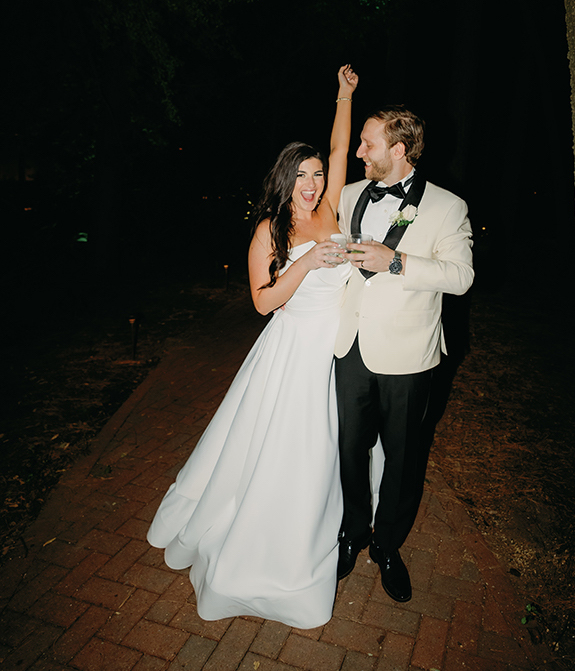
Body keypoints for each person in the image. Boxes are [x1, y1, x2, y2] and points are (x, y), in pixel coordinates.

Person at [147, 65, 358, 629]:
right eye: (302, 175)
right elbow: (264, 303)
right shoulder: (270, 230)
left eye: (317, 175)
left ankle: (319, 532)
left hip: (334, 353)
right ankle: (265, 549)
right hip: (290, 355)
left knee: (331, 451)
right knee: (290, 452)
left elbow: (341, 146)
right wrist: (310, 260)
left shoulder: (333, 206)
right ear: (284, 178)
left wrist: (343, 95)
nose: (312, 184)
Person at [334, 105, 474, 602]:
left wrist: (395, 262)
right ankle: (353, 532)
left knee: (402, 457)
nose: (358, 151)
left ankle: (388, 546)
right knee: (349, 450)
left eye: (367, 144)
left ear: (399, 150)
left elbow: (461, 277)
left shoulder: (447, 206)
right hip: (350, 346)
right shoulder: (350, 195)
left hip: (410, 357)